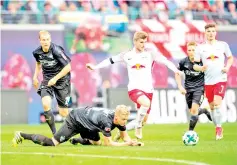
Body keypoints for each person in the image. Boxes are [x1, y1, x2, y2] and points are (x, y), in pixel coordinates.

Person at [86, 31, 180, 139]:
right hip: (134, 89)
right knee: (146, 103)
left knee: (144, 119)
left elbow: (165, 61)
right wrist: (95, 67)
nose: (143, 44)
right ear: (134, 41)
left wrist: (175, 70)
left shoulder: (150, 54)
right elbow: (110, 60)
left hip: (148, 90)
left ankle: (121, 133)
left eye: (144, 42)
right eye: (141, 42)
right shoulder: (127, 55)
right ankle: (138, 128)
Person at [12, 105, 144, 147]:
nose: (125, 121)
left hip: (88, 124)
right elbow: (109, 143)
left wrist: (133, 142)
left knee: (96, 143)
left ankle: (77, 140)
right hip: (75, 120)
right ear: (116, 117)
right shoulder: (107, 121)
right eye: (123, 119)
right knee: (52, 143)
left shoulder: (119, 119)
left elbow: (124, 136)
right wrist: (127, 144)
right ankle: (21, 134)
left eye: (126, 119)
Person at [193, 23, 233, 140]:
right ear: (205, 33)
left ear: (216, 33)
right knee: (212, 107)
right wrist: (200, 68)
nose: (211, 33)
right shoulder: (200, 48)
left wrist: (227, 67)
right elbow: (195, 65)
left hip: (220, 79)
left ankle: (219, 128)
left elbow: (230, 58)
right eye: (208, 31)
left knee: (216, 103)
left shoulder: (223, 45)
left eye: (213, 31)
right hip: (207, 81)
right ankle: (217, 127)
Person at [32, 30, 71, 135]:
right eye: (43, 40)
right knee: (45, 104)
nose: (46, 42)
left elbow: (68, 67)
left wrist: (55, 79)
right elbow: (38, 64)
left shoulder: (56, 50)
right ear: (39, 41)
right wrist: (35, 77)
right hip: (47, 80)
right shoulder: (36, 52)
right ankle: (55, 134)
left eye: (48, 39)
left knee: (64, 113)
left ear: (50, 40)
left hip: (63, 81)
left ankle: (78, 126)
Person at [175, 41, 212, 131]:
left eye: (193, 50)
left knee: (194, 110)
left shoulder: (203, 61)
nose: (191, 52)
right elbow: (177, 73)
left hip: (199, 88)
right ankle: (204, 111)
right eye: (189, 50)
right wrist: (180, 86)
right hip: (188, 89)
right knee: (192, 111)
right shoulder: (183, 62)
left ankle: (190, 132)